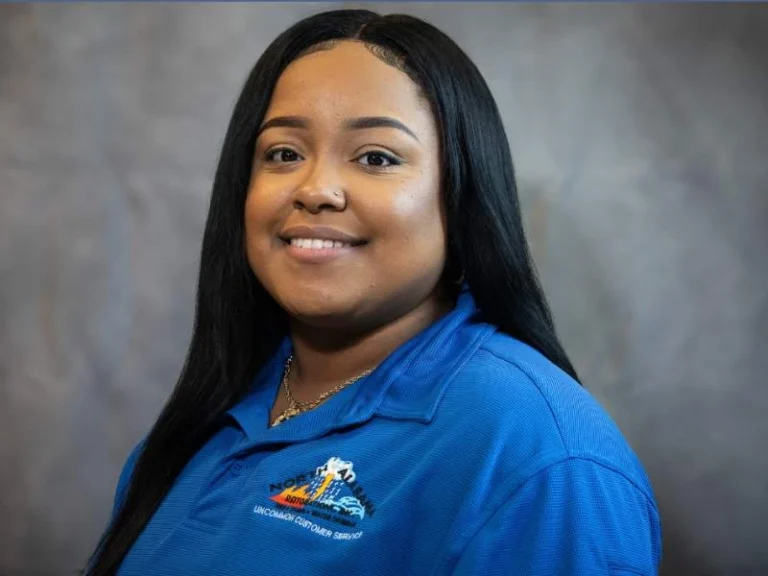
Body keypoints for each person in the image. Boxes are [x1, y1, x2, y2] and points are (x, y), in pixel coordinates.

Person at [85, 9, 661, 576]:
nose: (315, 189)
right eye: (284, 153)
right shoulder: (219, 408)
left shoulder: (540, 459)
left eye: (376, 157)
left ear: (462, 194)